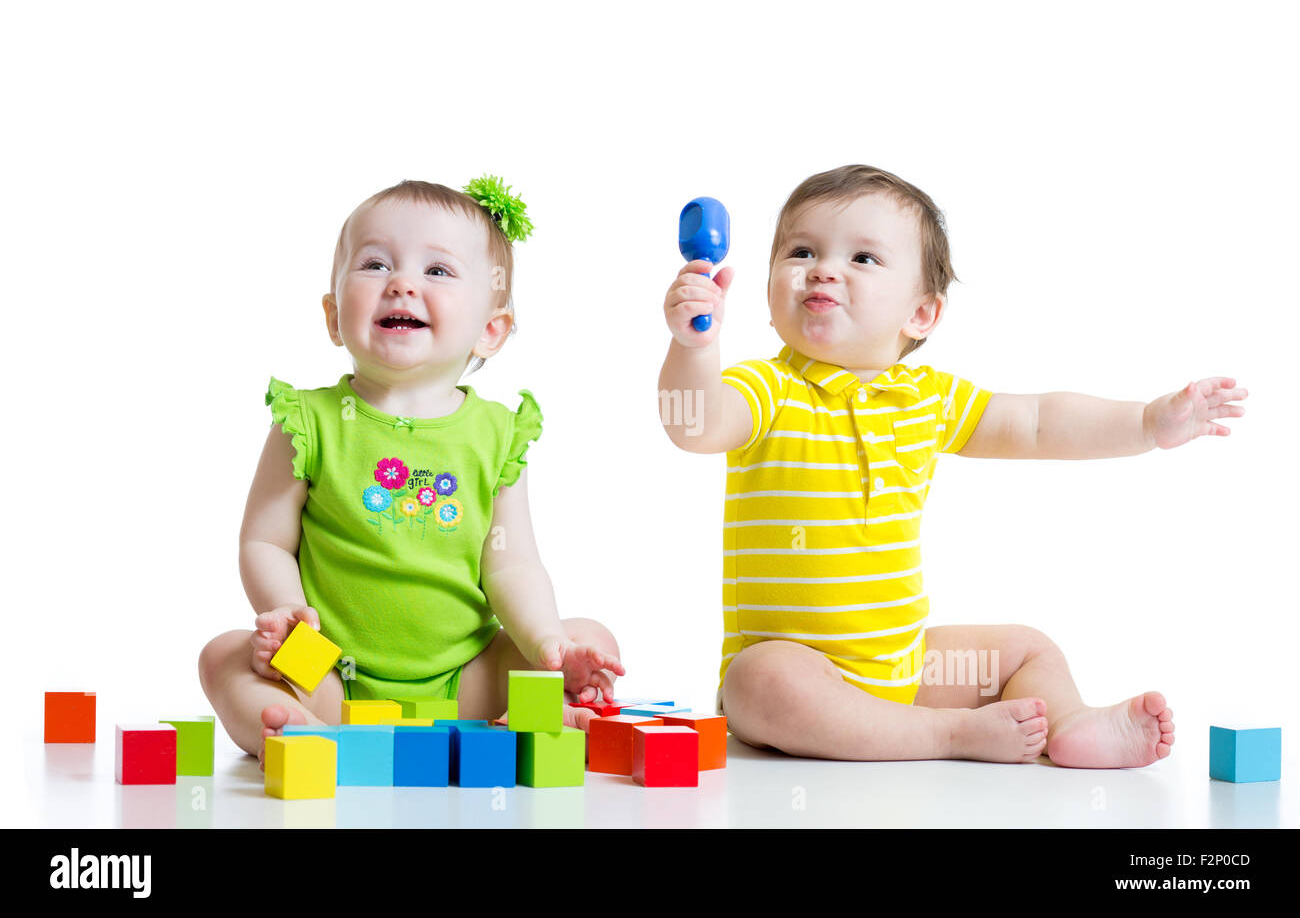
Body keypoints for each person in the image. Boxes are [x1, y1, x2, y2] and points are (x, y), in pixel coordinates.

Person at [658, 164, 1247, 766]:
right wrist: (694, 346)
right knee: (759, 681)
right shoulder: (768, 387)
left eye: (863, 258)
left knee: (1026, 649)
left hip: (906, 668)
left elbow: (1038, 423)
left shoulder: (929, 400)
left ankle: (1068, 725)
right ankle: (947, 735)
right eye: (801, 250)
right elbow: (694, 424)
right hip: (797, 675)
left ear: (921, 315)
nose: (824, 268)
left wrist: (1147, 423)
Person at [201, 177, 623, 765]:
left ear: (490, 329)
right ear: (332, 315)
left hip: (465, 685)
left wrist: (551, 645)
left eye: (439, 271)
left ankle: (519, 716)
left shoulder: (497, 434)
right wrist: (287, 614)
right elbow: (264, 540)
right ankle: (296, 731)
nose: (401, 283)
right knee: (223, 655)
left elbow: (513, 563)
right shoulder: (309, 421)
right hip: (329, 676)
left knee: (590, 636)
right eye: (375, 264)